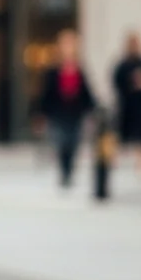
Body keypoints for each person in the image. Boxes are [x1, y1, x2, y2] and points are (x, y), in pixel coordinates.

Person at [38, 30, 96, 188]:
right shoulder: (53, 71)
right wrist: (42, 114)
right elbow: (46, 93)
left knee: (73, 143)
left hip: (75, 113)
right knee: (61, 143)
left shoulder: (79, 69)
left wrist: (92, 111)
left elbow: (86, 93)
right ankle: (64, 172)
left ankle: (69, 172)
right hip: (58, 113)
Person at [112, 31, 141, 176]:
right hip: (128, 104)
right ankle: (117, 161)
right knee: (123, 133)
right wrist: (129, 83)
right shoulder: (123, 64)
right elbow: (116, 81)